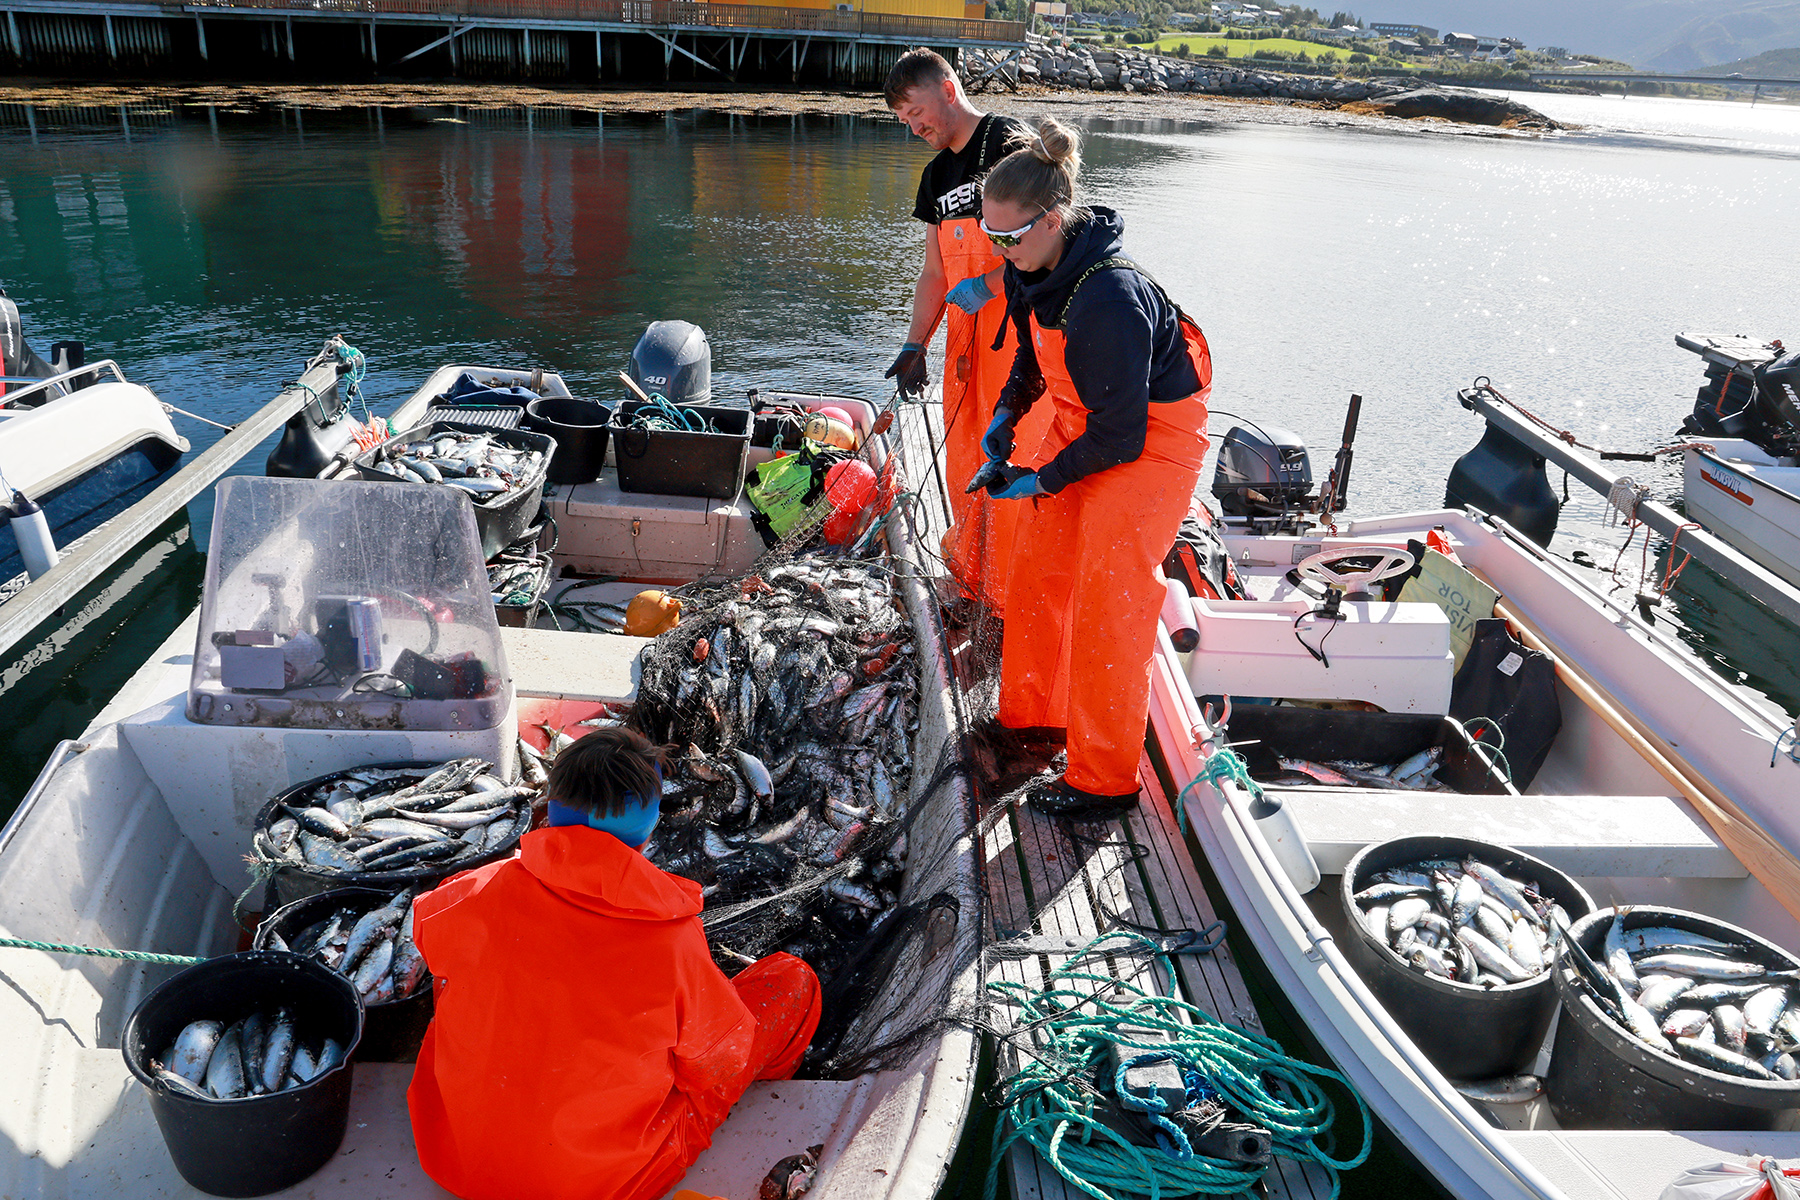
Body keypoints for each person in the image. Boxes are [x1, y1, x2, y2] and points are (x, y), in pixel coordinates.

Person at [407, 727, 822, 1200]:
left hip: (455, 1155)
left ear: (550, 808)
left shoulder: (477, 890)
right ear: (646, 834)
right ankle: (779, 1086)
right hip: (596, 1184)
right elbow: (716, 1066)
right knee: (792, 982)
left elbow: (429, 932)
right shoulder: (671, 943)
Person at [976, 118, 1213, 817]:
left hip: (1148, 447)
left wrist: (1040, 477)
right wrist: (1005, 419)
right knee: (1039, 572)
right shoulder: (1034, 266)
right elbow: (1030, 354)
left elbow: (1122, 435)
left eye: (1009, 237)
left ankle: (1104, 780)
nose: (1000, 249)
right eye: (991, 236)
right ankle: (1033, 722)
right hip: (1089, 428)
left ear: (1052, 221)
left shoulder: (1110, 296)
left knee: (1110, 606)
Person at [882, 48, 1051, 615]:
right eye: (905, 121)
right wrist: (914, 344)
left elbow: (1045, 236)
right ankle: (974, 585)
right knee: (963, 460)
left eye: (917, 111)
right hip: (964, 343)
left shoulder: (1007, 140)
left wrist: (990, 284)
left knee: (1015, 452)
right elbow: (934, 271)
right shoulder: (934, 177)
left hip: (1020, 335)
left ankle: (1020, 593)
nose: (915, 127)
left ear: (948, 90)